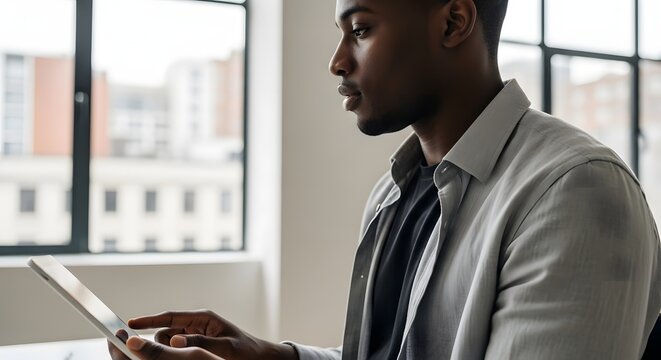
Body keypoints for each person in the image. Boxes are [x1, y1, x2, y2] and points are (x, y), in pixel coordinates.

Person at [109, 0, 661, 359]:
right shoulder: (392, 194)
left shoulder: (575, 192)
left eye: (361, 30)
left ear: (453, 22)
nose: (337, 61)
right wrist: (270, 357)